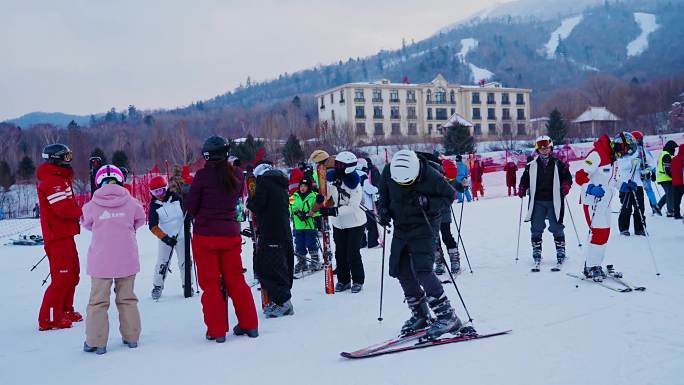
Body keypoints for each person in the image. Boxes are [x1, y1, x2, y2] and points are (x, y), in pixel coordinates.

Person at [377, 149, 465, 340]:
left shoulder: (429, 174)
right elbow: (383, 196)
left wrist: (427, 203)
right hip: (402, 225)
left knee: (422, 269)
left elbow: (449, 196)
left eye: (409, 182)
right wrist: (383, 211)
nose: (405, 185)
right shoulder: (387, 172)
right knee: (400, 268)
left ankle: (447, 316)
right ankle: (420, 313)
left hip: (425, 223)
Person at [185, 136, 258, 342]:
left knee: (211, 285)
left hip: (206, 237)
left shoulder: (202, 176)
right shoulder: (236, 175)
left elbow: (191, 207)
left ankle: (217, 331)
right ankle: (249, 324)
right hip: (230, 235)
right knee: (236, 281)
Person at [81, 165, 145, 354]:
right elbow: (139, 220)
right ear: (120, 180)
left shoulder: (91, 205)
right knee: (127, 299)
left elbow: (86, 223)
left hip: (101, 262)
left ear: (98, 181)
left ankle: (96, 341)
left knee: (98, 302)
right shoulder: (132, 203)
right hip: (127, 259)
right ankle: (132, 337)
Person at [575, 132, 636, 282]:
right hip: (593, 202)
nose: (623, 155)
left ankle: (596, 264)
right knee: (598, 233)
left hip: (606, 203)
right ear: (619, 145)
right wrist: (590, 188)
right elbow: (580, 176)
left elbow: (612, 180)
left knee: (605, 233)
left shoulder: (612, 157)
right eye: (624, 151)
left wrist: (624, 186)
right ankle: (590, 266)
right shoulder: (597, 154)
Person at [36, 144, 83, 331]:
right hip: (57, 237)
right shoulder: (52, 182)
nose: (68, 160)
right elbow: (63, 211)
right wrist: (84, 210)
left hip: (66, 234)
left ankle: (65, 310)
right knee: (62, 277)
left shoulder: (61, 179)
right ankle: (48, 319)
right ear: (56, 159)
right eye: (66, 157)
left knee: (73, 273)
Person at [247, 161, 295, 317]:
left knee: (269, 268)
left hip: (271, 232)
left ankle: (283, 301)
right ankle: (282, 299)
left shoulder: (264, 183)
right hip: (283, 230)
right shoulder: (280, 184)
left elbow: (258, 205)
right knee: (282, 266)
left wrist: (249, 201)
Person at [518, 136, 573, 267]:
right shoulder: (531, 166)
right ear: (537, 150)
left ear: (551, 148)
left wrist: (566, 185)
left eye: (546, 148)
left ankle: (560, 250)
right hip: (538, 201)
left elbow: (568, 178)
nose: (544, 150)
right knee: (536, 227)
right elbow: (524, 180)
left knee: (556, 226)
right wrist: (522, 188)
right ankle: (537, 250)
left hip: (554, 200)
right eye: (541, 148)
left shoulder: (559, 164)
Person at [326, 151, 367, 293]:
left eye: (340, 165)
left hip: (355, 223)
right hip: (339, 223)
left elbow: (353, 206)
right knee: (340, 253)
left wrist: (334, 211)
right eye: (336, 164)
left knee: (352, 252)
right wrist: (322, 200)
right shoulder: (332, 179)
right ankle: (343, 280)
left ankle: (358, 280)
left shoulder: (355, 184)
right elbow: (328, 194)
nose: (337, 167)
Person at [148, 175, 191, 300]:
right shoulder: (154, 206)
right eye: (156, 192)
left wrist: (189, 218)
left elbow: (187, 212)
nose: (159, 194)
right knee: (162, 263)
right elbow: (153, 226)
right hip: (165, 239)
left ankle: (187, 284)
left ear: (166, 188)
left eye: (161, 190)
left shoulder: (177, 198)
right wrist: (165, 238)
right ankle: (157, 286)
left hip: (181, 236)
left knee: (185, 262)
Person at [616, 135, 650, 236]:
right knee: (626, 207)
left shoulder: (638, 153)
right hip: (625, 185)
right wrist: (633, 164)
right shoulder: (619, 156)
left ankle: (640, 228)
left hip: (637, 184)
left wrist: (645, 171)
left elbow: (646, 165)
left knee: (640, 207)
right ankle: (623, 228)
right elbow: (622, 167)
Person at [434, 157, 462, 275]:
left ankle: (454, 260)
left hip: (444, 213)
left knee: (446, 236)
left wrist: (463, 185)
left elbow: (458, 185)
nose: (449, 180)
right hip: (432, 214)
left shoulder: (451, 178)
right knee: (434, 238)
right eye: (448, 178)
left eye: (452, 178)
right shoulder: (433, 178)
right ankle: (439, 261)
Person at [289, 177, 321, 273]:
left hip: (310, 226)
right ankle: (302, 262)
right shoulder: (293, 196)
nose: (302, 188)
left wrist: (312, 213)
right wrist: (296, 212)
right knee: (299, 245)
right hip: (298, 226)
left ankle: (315, 260)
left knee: (311, 243)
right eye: (301, 186)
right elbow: (289, 207)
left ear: (309, 187)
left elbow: (319, 209)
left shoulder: (314, 195)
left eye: (305, 186)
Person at [631, 131, 660, 215]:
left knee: (646, 191)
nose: (640, 141)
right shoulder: (643, 150)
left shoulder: (638, 151)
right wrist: (653, 172)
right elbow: (652, 162)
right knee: (649, 191)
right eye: (640, 139)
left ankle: (653, 206)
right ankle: (654, 206)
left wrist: (653, 172)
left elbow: (651, 161)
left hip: (640, 175)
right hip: (643, 175)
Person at [357, 158, 380, 248]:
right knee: (372, 226)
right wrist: (377, 189)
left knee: (361, 225)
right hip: (367, 205)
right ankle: (372, 242)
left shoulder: (352, 174)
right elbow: (369, 189)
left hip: (358, 205)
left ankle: (361, 243)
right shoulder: (363, 176)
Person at [655, 140, 678, 217]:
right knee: (670, 193)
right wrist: (674, 177)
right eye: (673, 148)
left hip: (663, 177)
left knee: (669, 193)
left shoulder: (666, 154)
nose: (675, 150)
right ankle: (670, 211)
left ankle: (657, 207)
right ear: (670, 148)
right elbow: (667, 170)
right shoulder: (666, 155)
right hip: (665, 178)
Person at [671, 144, 684, 219]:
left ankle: (677, 215)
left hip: (675, 183)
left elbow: (671, 170)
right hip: (682, 182)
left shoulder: (674, 159)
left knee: (677, 200)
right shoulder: (683, 159)